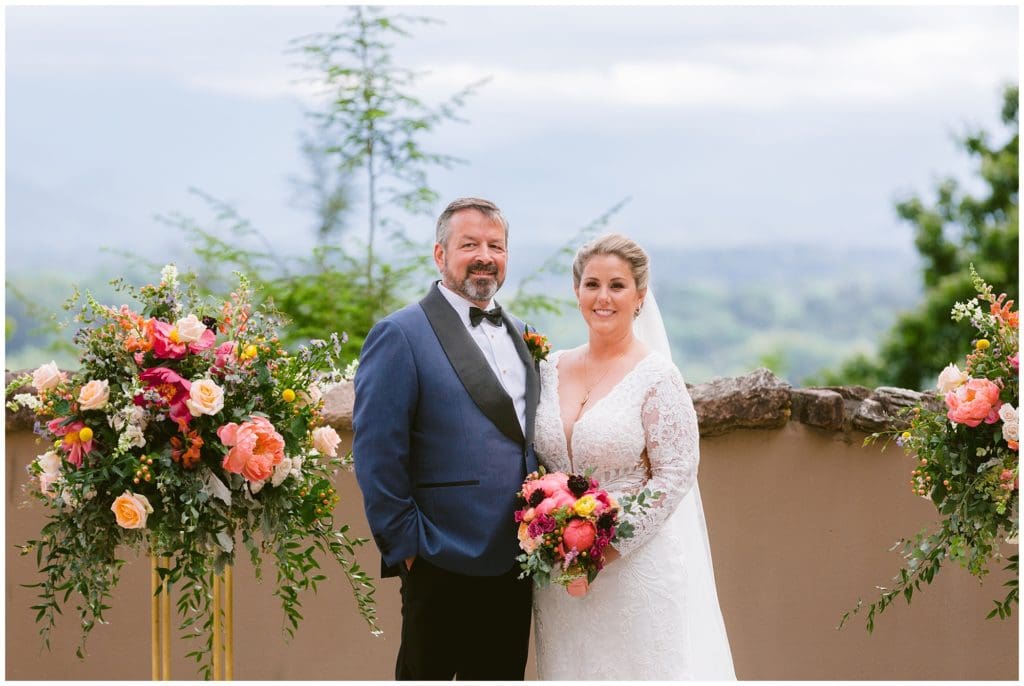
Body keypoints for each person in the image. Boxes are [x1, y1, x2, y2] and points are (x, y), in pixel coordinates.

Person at [531, 233, 736, 680]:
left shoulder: (657, 375)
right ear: (577, 292)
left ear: (640, 296)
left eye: (617, 285)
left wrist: (605, 548)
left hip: (634, 571)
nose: (603, 297)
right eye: (592, 284)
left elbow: (676, 472)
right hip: (558, 580)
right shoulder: (549, 368)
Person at [352, 197, 539, 680]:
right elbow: (376, 453)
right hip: (438, 556)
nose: (484, 255)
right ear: (440, 255)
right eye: (469, 243)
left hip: (515, 558)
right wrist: (408, 548)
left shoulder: (523, 334)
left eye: (495, 245)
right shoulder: (399, 334)